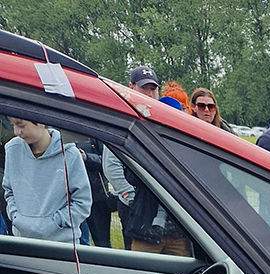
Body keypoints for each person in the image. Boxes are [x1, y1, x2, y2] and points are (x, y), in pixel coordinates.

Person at [3, 118, 92, 243]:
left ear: (40, 122)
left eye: (20, 125)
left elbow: (82, 202)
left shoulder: (70, 154)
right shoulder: (12, 149)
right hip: (22, 242)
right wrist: (16, 216)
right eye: (12, 125)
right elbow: (9, 191)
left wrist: (56, 222)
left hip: (61, 246)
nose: (16, 131)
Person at [103, 65, 160, 250]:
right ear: (131, 86)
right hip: (134, 205)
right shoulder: (121, 120)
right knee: (137, 257)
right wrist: (130, 196)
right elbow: (111, 165)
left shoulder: (159, 120)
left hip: (161, 205)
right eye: (144, 88)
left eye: (153, 89)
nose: (149, 94)